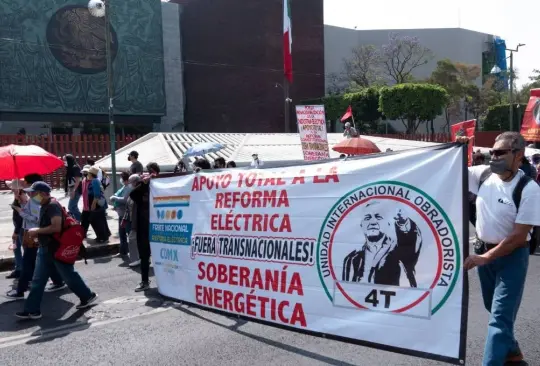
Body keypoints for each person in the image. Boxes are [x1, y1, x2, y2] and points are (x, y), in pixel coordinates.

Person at [461, 132, 540, 365]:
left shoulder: (529, 189)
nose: (493, 157)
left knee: (499, 319)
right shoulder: (482, 175)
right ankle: (512, 352)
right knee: (493, 308)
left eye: (500, 152)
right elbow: (447, 172)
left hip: (512, 258)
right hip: (485, 256)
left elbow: (517, 236)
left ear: (519, 156)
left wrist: (485, 257)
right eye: (492, 152)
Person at [15, 181, 98, 319]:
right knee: (39, 280)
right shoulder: (45, 205)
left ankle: (87, 296)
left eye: (33, 193)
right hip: (47, 247)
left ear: (42, 194)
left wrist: (38, 231)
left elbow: (56, 227)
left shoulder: (52, 206)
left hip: (54, 247)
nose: (30, 195)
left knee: (68, 276)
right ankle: (32, 310)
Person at [6, 175, 66, 299]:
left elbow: (35, 219)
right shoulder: (32, 199)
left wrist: (20, 211)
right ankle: (58, 281)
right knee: (46, 261)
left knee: (28, 261)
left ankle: (20, 291)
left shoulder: (36, 201)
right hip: (34, 234)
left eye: (26, 184)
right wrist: (21, 204)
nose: (24, 188)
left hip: (35, 234)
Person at [341, 202, 422, 287]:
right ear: (361, 225)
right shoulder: (351, 259)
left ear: (388, 224)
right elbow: (346, 292)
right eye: (367, 218)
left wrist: (403, 223)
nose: (372, 222)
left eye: (378, 217)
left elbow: (411, 238)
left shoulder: (400, 251)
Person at [130, 163, 159, 291]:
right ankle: (145, 281)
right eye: (147, 172)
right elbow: (133, 194)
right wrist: (144, 183)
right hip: (144, 229)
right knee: (144, 256)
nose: (147, 174)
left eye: (151, 172)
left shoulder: (163, 188)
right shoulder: (143, 190)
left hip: (159, 229)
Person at [110, 172, 133, 256]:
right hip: (121, 213)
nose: (120, 180)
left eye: (121, 178)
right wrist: (114, 196)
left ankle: (132, 252)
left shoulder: (129, 187)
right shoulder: (125, 187)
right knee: (121, 233)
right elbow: (118, 193)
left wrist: (115, 198)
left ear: (125, 180)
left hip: (126, 214)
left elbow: (125, 199)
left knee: (128, 232)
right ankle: (123, 251)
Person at [6, 179, 24, 279]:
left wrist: (16, 231)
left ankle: (21, 269)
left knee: (22, 249)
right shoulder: (18, 197)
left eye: (13, 188)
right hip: (19, 227)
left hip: (20, 228)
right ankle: (19, 268)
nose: (12, 190)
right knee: (16, 248)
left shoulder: (21, 198)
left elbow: (20, 216)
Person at [87, 166, 111, 243]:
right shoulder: (95, 180)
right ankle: (102, 236)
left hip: (96, 204)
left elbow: (96, 194)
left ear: (91, 174)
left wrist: (93, 204)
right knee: (99, 220)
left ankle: (103, 237)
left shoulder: (94, 181)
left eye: (88, 173)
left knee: (96, 221)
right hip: (97, 204)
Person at [123, 174, 142, 267]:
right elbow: (127, 207)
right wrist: (124, 219)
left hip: (138, 221)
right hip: (131, 221)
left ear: (135, 182)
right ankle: (141, 257)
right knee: (138, 240)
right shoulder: (132, 192)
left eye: (130, 182)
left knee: (132, 239)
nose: (129, 184)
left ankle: (136, 259)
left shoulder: (140, 192)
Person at [63, 154, 82, 222]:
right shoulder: (70, 168)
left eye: (65, 160)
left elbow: (78, 180)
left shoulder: (75, 167)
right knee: (73, 206)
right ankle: (78, 220)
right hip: (73, 189)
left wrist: (73, 190)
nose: (64, 161)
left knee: (71, 207)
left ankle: (82, 219)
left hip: (76, 189)